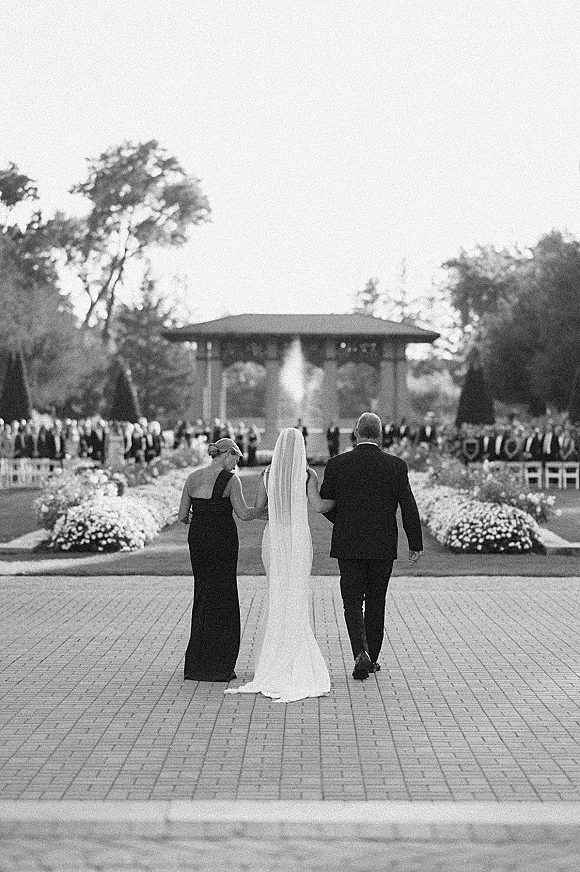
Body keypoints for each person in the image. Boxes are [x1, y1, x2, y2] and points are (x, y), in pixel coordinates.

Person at [225, 427, 332, 702]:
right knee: (296, 593)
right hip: (297, 537)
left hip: (273, 537)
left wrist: (274, 514)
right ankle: (294, 649)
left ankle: (275, 656)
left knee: (277, 595)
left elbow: (261, 509)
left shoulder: (267, 474)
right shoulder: (308, 475)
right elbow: (317, 506)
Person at [319, 412, 423, 680]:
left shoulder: (337, 464)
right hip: (382, 543)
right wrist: (415, 542)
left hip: (349, 543)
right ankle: (372, 657)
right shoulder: (396, 466)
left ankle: (359, 653)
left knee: (352, 601)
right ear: (379, 434)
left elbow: (326, 503)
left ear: (355, 433)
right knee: (377, 600)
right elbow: (408, 505)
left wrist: (342, 520)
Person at [178, 437, 264, 682]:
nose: (236, 464)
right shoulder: (230, 480)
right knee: (224, 596)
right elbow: (245, 513)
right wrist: (265, 510)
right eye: (236, 458)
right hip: (222, 542)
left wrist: (200, 517)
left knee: (203, 593)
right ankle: (219, 664)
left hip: (198, 541)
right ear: (227, 454)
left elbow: (183, 515)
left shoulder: (192, 478)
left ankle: (197, 664)